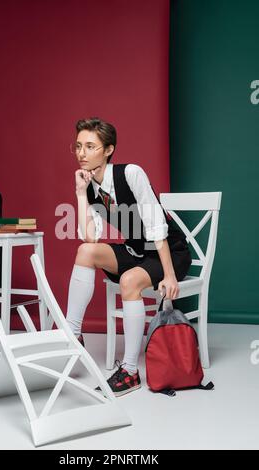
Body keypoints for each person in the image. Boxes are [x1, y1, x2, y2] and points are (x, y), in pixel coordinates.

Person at [66, 117, 192, 396]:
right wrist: (79, 193)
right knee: (85, 251)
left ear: (108, 149)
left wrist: (170, 275)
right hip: (137, 250)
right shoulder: (89, 185)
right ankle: (71, 336)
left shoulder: (131, 173)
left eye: (89, 146)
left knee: (129, 280)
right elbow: (90, 237)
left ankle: (131, 371)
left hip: (168, 252)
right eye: (77, 146)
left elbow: (156, 224)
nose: (81, 153)